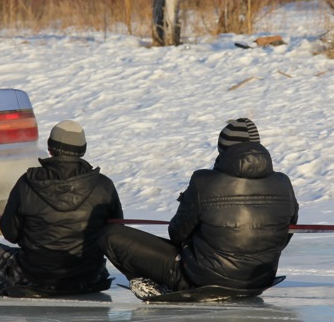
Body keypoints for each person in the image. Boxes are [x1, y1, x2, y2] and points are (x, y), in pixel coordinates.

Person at [99, 118, 299, 298]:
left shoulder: (204, 182)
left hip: (203, 279)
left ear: (224, 149)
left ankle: (158, 285)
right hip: (258, 280)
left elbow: (177, 233)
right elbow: (284, 235)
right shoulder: (283, 182)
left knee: (110, 235)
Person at [0, 120, 123, 296]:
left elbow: (10, 234)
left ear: (50, 148)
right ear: (82, 149)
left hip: (36, 275)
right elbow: (117, 233)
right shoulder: (104, 185)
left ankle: (12, 281)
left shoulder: (27, 182)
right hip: (88, 277)